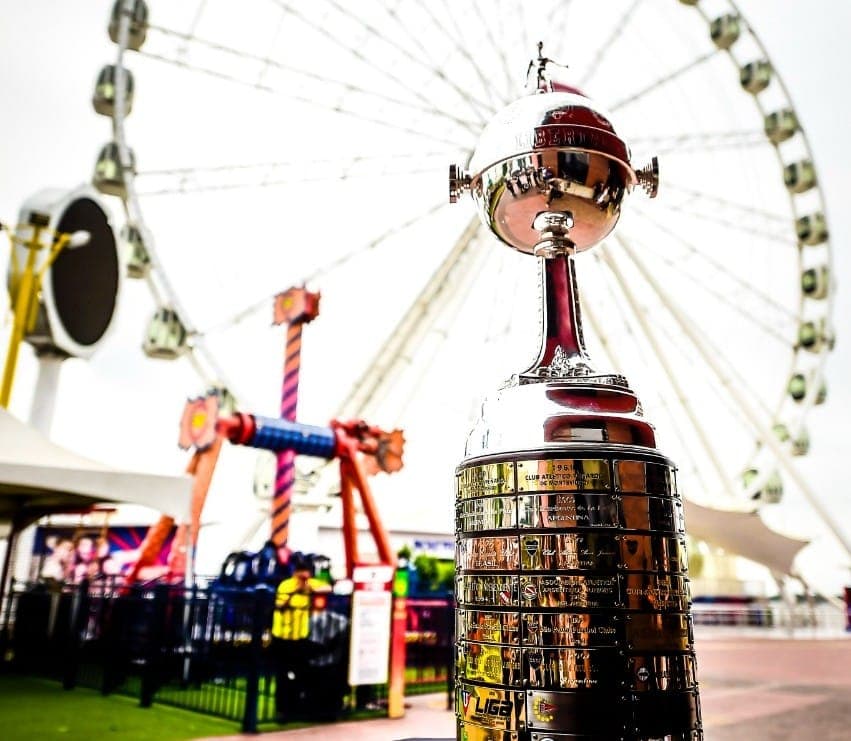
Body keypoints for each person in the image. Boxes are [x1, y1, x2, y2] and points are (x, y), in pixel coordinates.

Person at [271, 553, 331, 722]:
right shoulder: (286, 585)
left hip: (300, 637)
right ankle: (282, 711)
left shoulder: (310, 584)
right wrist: (296, 590)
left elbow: (327, 587)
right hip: (283, 637)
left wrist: (310, 588)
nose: (304, 577)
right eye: (301, 573)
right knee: (283, 675)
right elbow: (279, 605)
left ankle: (296, 708)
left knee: (300, 674)